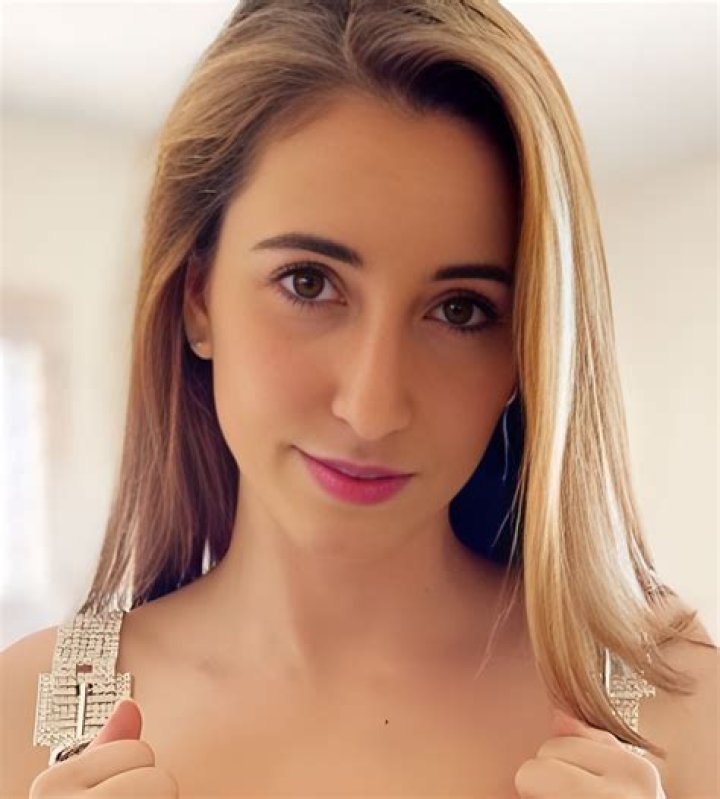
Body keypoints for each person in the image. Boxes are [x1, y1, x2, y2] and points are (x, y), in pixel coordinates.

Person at [1, 0, 717, 797]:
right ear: (197, 297)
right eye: (309, 283)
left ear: (529, 347)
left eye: (460, 309)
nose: (372, 407)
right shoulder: (22, 714)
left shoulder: (675, 702)